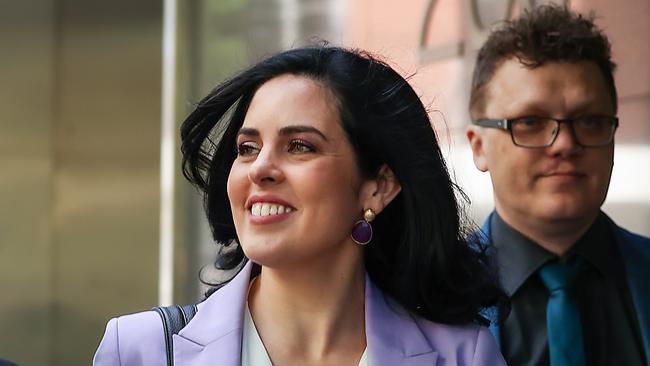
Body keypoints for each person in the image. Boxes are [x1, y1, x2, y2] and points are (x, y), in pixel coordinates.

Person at [94, 45, 507, 365]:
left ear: (378, 187)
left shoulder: (463, 357)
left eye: (299, 146)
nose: (260, 169)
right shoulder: (138, 351)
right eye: (247, 147)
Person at [466, 5, 650, 366]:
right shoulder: (420, 299)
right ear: (478, 146)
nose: (564, 143)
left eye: (590, 121)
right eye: (530, 121)